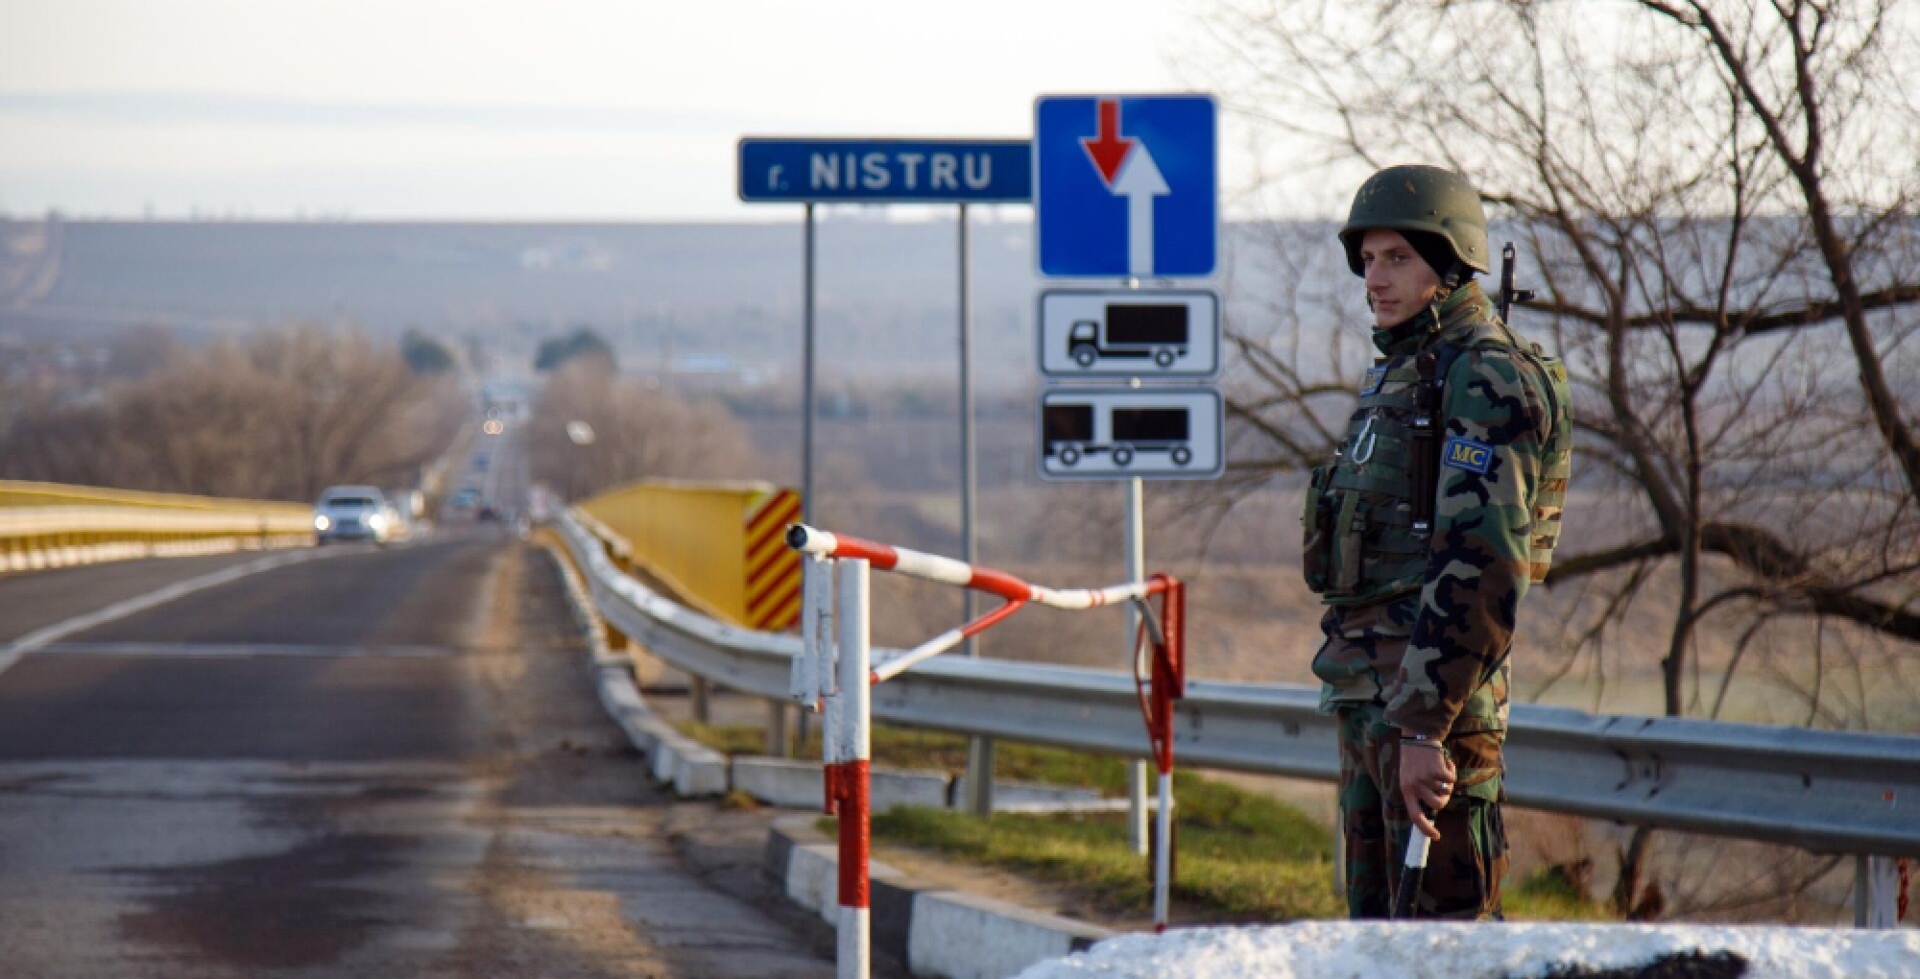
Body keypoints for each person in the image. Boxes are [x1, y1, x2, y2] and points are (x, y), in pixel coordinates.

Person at [1303, 164, 1573, 919]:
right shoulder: (1403, 368)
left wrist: (1425, 724)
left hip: (1433, 714)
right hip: (1373, 700)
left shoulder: (1486, 374)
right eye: (1368, 258)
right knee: (1377, 946)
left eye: (1398, 258)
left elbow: (1483, 566)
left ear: (1450, 264)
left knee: (1443, 946)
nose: (1374, 278)